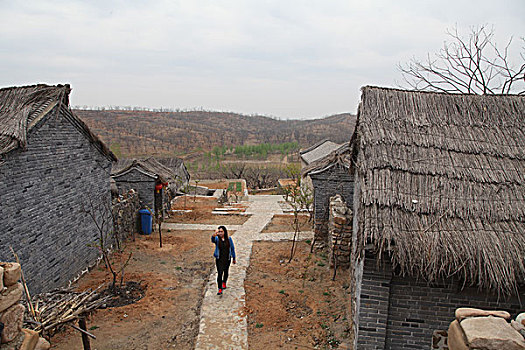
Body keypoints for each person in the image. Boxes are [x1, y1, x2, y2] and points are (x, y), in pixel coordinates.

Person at [211, 225, 236, 295]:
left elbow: (232, 248)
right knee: (219, 273)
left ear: (224, 232)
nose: (220, 233)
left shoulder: (229, 239)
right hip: (219, 259)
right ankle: (219, 288)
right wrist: (214, 235)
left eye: (221, 231)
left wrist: (234, 258)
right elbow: (212, 240)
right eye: (219, 232)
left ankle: (224, 282)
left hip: (227, 259)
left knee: (226, 271)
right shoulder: (217, 239)